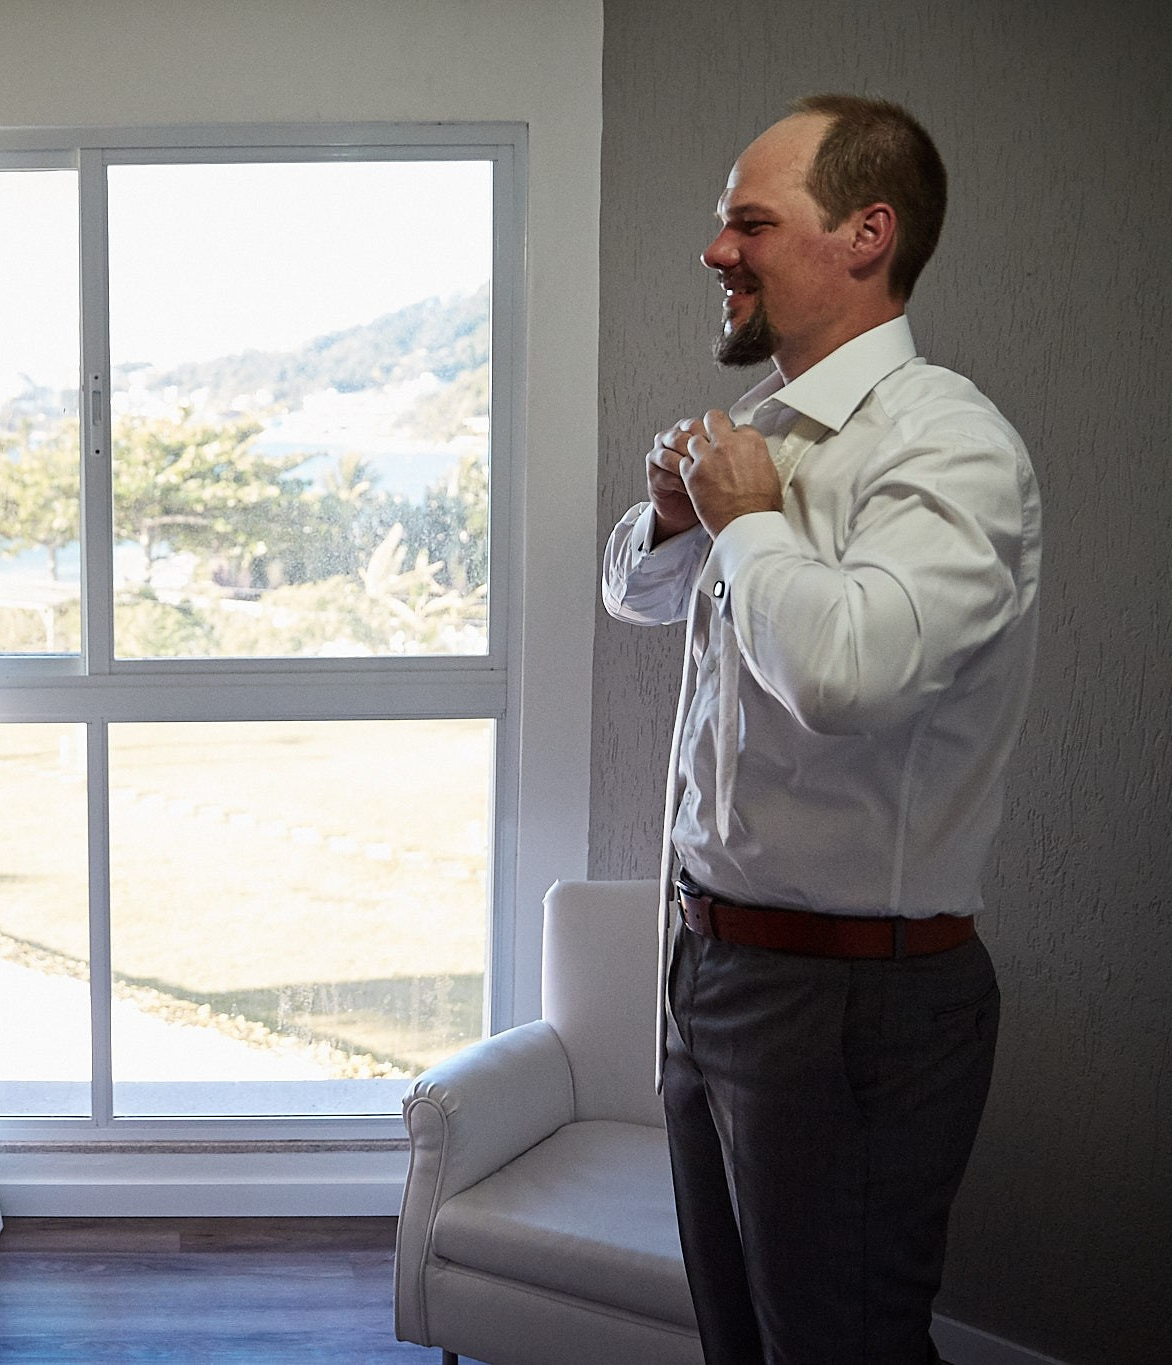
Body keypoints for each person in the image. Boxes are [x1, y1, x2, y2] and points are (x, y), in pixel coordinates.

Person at [601, 95, 1040, 1363]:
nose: (714, 251)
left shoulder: (947, 446)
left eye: (749, 220)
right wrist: (680, 524)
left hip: (853, 997)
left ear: (865, 235)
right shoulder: (766, 441)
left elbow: (848, 677)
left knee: (836, 1347)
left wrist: (741, 522)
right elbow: (635, 599)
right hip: (709, 969)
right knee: (738, 1340)